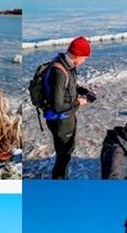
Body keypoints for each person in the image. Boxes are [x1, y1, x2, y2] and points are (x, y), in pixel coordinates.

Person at [39, 37, 92, 179]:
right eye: (84, 57)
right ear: (77, 55)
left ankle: (62, 177)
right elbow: (57, 106)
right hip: (60, 120)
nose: (84, 61)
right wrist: (78, 103)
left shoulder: (68, 65)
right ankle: (60, 180)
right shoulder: (60, 72)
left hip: (66, 117)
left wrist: (85, 92)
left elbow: (70, 87)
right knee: (64, 155)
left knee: (66, 151)